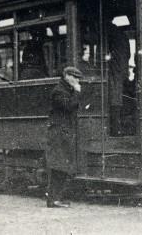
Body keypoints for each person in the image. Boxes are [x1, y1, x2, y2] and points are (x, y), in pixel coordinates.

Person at [45, 66, 83, 208]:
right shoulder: (59, 91)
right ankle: (53, 200)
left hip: (63, 133)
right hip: (58, 134)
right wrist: (77, 92)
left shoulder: (65, 90)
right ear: (66, 75)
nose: (77, 80)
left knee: (61, 166)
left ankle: (56, 198)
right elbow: (69, 107)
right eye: (75, 77)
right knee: (58, 166)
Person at [106, 22, 130, 136]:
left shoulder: (114, 41)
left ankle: (116, 129)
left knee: (116, 100)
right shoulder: (123, 38)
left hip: (117, 75)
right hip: (122, 73)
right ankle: (118, 128)